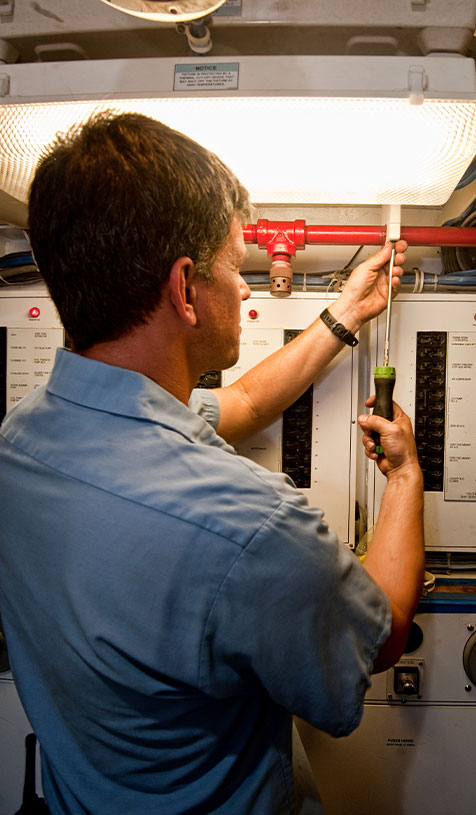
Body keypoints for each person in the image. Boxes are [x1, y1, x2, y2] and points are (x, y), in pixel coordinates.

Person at [0, 112, 424, 815]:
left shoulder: (21, 443)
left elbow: (244, 403)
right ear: (186, 286)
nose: (250, 288)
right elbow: (377, 639)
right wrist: (407, 478)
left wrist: (345, 315)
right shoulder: (256, 530)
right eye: (236, 263)